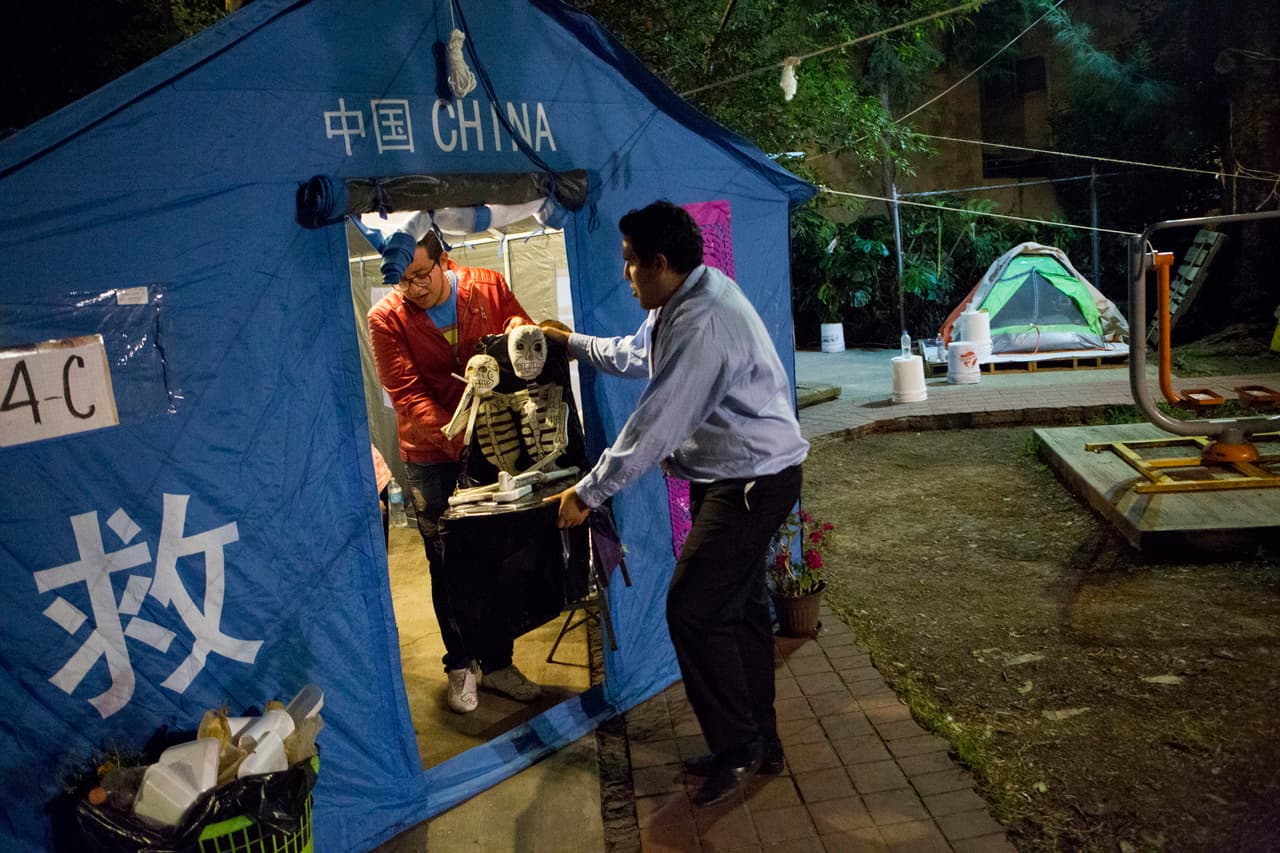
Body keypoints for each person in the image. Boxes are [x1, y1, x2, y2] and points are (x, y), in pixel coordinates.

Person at [543, 201, 809, 806]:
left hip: (752, 481)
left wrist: (587, 493)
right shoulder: (683, 300)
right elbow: (637, 355)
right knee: (737, 611)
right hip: (740, 476)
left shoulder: (702, 321)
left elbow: (653, 428)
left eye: (632, 263)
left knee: (693, 607)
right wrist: (571, 344)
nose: (627, 274)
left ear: (661, 263)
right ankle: (759, 744)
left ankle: (739, 748)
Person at [369, 227, 543, 714]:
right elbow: (405, 394)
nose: (415, 289)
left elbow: (522, 336)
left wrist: (517, 334)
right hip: (431, 456)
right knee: (447, 563)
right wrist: (453, 431)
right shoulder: (386, 319)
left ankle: (499, 662)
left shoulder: (487, 286)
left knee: (497, 555)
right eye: (403, 282)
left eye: (421, 275)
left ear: (444, 260)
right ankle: (460, 664)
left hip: (492, 445)